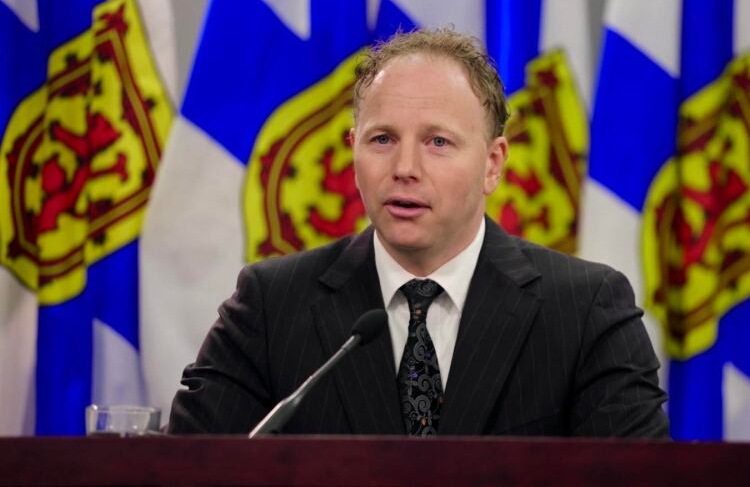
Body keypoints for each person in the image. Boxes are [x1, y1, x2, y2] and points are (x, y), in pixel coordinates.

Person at [168, 28, 668, 437]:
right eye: (382, 139)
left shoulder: (586, 311)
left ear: (493, 165)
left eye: (438, 142)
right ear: (353, 150)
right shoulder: (271, 306)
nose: (405, 168)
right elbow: (183, 470)